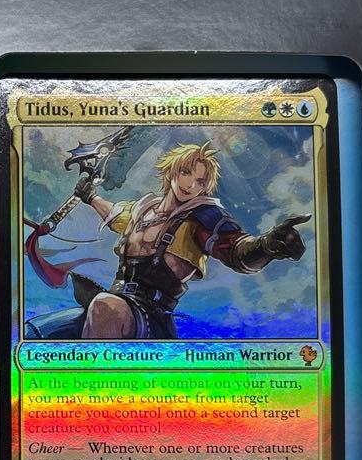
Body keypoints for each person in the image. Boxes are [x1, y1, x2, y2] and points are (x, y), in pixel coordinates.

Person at [75, 141, 309, 339]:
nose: (190, 185)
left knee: (104, 306)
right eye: (186, 173)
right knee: (62, 327)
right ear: (172, 171)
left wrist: (266, 245)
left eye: (200, 182)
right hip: (117, 300)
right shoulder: (142, 210)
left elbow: (236, 251)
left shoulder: (202, 218)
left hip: (151, 316)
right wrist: (90, 197)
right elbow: (114, 214)